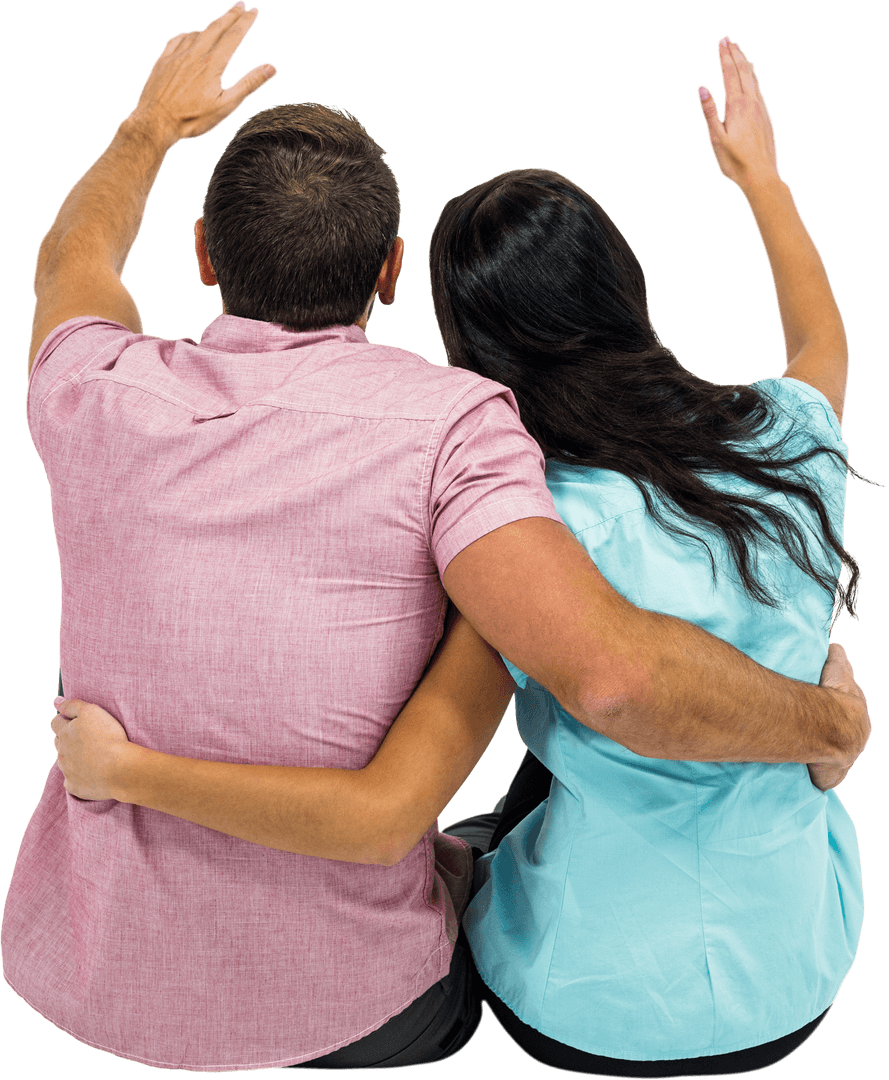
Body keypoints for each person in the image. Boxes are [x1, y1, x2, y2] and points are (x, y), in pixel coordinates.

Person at [6, 5, 870, 1071]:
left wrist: (145, 129)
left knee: (474, 809)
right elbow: (816, 356)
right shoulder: (483, 438)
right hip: (736, 973)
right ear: (383, 271)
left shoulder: (91, 388)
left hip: (88, 980)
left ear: (200, 254)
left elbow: (67, 260)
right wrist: (829, 726)